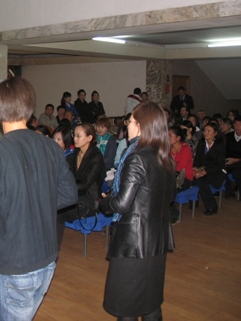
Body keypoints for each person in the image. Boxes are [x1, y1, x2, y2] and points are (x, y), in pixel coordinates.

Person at [0, 77, 77, 321]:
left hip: (15, 263)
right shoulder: (51, 147)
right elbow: (69, 194)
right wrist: (35, 204)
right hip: (47, 258)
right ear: (30, 109)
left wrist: (13, 208)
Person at [99, 102, 175, 321]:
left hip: (133, 243)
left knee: (127, 307)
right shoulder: (165, 156)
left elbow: (122, 204)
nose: (127, 126)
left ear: (141, 126)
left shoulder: (137, 157)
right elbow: (169, 197)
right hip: (157, 239)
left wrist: (104, 203)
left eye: (130, 121)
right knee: (150, 304)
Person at [57, 122, 106, 250]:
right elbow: (65, 176)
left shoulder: (96, 157)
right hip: (74, 194)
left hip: (90, 198)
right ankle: (50, 245)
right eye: (74, 135)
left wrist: (64, 188)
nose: (75, 139)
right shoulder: (73, 155)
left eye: (79, 136)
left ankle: (54, 247)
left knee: (58, 209)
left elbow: (86, 184)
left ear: (89, 138)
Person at [193, 122, 226, 215]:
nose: (205, 133)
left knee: (200, 181)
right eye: (205, 131)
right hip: (201, 170)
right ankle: (194, 203)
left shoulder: (220, 145)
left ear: (215, 133)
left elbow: (219, 164)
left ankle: (211, 206)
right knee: (192, 178)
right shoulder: (202, 143)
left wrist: (205, 171)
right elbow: (197, 158)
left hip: (215, 172)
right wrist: (195, 168)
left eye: (209, 131)